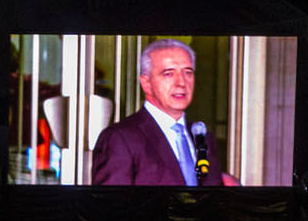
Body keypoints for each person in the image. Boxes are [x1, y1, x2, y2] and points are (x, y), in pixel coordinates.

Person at [90, 39, 238, 187]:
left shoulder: (203, 138)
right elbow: (110, 207)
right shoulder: (120, 139)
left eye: (187, 72)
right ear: (146, 84)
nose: (181, 83)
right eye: (168, 74)